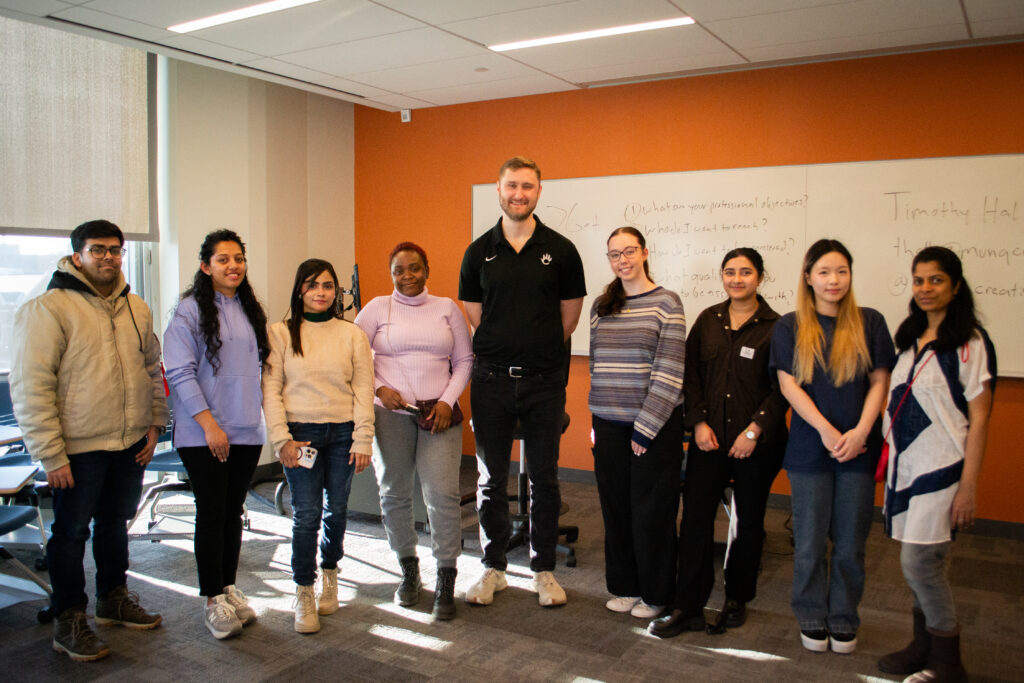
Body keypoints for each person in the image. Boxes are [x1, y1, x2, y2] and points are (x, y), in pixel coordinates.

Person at [10, 219, 168, 662]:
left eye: (115, 250)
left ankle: (112, 599)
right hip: (77, 448)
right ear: (77, 255)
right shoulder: (48, 307)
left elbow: (152, 369)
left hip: (130, 440)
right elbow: (31, 386)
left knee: (116, 522)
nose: (108, 258)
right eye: (97, 250)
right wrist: (50, 454)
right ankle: (69, 617)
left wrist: (155, 424)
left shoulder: (136, 307)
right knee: (71, 533)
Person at [458, 156, 586, 607]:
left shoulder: (562, 249)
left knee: (545, 479)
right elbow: (476, 316)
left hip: (544, 382)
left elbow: (569, 318)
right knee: (490, 479)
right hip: (490, 382)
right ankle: (493, 568)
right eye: (511, 185)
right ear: (498, 190)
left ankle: (543, 570)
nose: (519, 193)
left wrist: (535, 347)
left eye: (527, 186)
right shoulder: (478, 252)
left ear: (538, 191)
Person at [651, 247, 789, 638]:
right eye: (730, 272)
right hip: (707, 441)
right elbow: (689, 375)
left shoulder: (777, 327)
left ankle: (735, 599)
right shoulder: (708, 321)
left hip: (755, 446)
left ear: (760, 277)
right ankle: (689, 606)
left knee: (746, 524)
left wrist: (753, 431)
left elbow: (784, 388)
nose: (737, 279)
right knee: (694, 521)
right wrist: (696, 422)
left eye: (746, 272)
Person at [769, 238, 895, 654]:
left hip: (859, 450)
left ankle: (843, 617)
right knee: (808, 542)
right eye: (823, 272)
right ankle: (810, 614)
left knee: (851, 541)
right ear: (808, 278)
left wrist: (861, 431)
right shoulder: (789, 325)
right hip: (810, 450)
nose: (833, 280)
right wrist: (825, 430)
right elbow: (789, 384)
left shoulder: (870, 321)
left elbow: (880, 380)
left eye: (841, 271)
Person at [877, 247, 994, 683]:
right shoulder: (909, 338)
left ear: (956, 286)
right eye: (919, 280)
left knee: (919, 564)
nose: (926, 289)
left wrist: (969, 487)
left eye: (936, 280)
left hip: (944, 471)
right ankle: (923, 645)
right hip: (906, 469)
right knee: (919, 563)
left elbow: (980, 419)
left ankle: (947, 661)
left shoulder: (971, 343)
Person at [354, 242, 473, 620]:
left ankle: (446, 576)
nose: (407, 276)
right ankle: (408, 568)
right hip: (392, 415)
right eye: (399, 270)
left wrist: (446, 401)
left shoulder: (447, 309)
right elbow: (354, 357)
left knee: (442, 493)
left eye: (415, 268)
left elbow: (465, 360)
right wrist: (377, 389)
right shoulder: (376, 308)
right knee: (394, 492)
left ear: (427, 269)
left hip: (439, 413)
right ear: (391, 274)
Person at [163, 229, 270, 640]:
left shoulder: (249, 309)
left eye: (239, 258)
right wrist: (209, 424)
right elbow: (179, 371)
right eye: (223, 259)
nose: (233, 266)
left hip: (245, 430)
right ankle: (212, 599)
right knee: (211, 513)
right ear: (205, 266)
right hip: (203, 431)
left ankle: (227, 587)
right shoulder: (189, 311)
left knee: (232, 511)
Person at [262, 258, 374, 634]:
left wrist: (363, 438)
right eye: (312, 285)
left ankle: (330, 573)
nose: (321, 292)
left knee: (337, 510)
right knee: (306, 514)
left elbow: (363, 389)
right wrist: (281, 440)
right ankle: (304, 589)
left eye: (327, 285)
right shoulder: (279, 333)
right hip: (301, 436)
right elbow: (271, 392)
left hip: (343, 434)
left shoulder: (352, 334)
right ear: (299, 290)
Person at [588, 227, 686, 621]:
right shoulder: (601, 305)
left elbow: (670, 370)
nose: (622, 260)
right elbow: (596, 365)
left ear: (645, 252)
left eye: (629, 251)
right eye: (614, 254)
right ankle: (625, 586)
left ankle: (657, 593)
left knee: (653, 512)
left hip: (653, 426)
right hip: (607, 423)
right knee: (616, 509)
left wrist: (645, 428)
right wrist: (596, 415)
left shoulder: (667, 302)